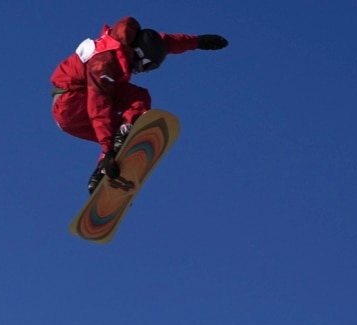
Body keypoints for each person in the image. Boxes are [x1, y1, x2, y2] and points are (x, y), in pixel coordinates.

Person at [50, 17, 228, 193]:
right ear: (139, 54)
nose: (142, 70)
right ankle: (116, 142)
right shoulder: (104, 62)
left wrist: (198, 42)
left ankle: (110, 157)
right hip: (71, 107)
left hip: (82, 95)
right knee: (112, 120)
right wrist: (108, 147)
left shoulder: (127, 42)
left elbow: (166, 43)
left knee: (139, 97)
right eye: (146, 66)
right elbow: (98, 105)